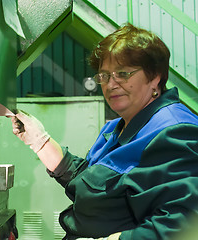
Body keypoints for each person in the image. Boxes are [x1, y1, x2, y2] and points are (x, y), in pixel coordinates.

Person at [11, 23, 198, 239]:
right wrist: (40, 141)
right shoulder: (116, 127)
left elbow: (181, 225)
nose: (111, 84)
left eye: (123, 73)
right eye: (104, 76)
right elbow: (92, 181)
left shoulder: (175, 131)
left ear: (155, 77)